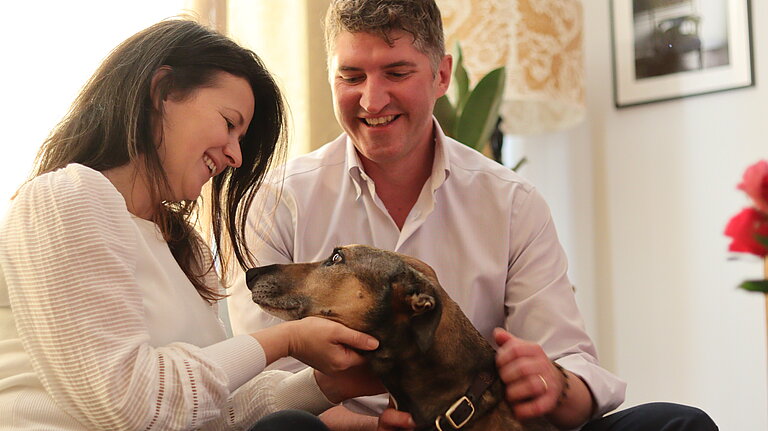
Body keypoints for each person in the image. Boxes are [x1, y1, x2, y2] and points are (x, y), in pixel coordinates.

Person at [226, 1, 719, 430]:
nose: (372, 100)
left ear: (441, 74)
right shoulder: (276, 200)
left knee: (678, 424)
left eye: (397, 73)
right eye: (351, 76)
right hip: (348, 428)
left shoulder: (511, 201)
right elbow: (260, 389)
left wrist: (553, 384)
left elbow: (571, 363)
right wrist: (365, 426)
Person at [0, 18, 400, 431]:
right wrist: (287, 340)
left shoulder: (184, 247)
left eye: (241, 139)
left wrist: (327, 385)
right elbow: (129, 405)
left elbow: (214, 414)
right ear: (163, 92)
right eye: (229, 124)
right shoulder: (66, 197)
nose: (236, 157)